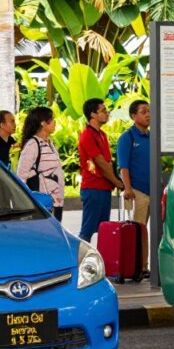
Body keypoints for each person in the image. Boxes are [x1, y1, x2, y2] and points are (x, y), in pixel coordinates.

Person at [78, 98, 123, 242]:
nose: (107, 113)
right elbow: (101, 163)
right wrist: (117, 182)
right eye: (103, 110)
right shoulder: (87, 135)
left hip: (104, 188)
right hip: (93, 187)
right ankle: (80, 261)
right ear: (93, 114)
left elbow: (107, 163)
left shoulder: (102, 135)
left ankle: (102, 261)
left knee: (103, 228)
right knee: (87, 230)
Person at [117, 100, 151, 274]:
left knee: (148, 231)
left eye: (149, 111)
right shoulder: (127, 138)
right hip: (137, 192)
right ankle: (137, 266)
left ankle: (145, 265)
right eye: (143, 111)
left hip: (154, 191)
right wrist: (128, 188)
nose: (148, 114)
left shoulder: (153, 137)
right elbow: (124, 166)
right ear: (133, 116)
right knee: (139, 230)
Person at [17, 107, 66, 221]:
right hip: (42, 204)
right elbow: (21, 176)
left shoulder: (49, 143)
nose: (55, 122)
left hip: (56, 203)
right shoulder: (32, 145)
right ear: (43, 123)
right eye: (52, 119)